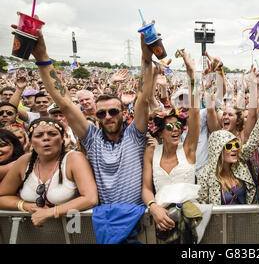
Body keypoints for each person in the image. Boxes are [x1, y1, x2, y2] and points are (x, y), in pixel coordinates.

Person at [18, 17, 154, 205]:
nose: (108, 117)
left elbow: (143, 98)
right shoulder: (92, 138)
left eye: (113, 111)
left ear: (123, 112)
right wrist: (42, 56)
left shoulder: (135, 135)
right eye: (101, 113)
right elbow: (65, 103)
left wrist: (146, 57)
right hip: (102, 219)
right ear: (96, 116)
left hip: (136, 217)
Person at [0, 118, 98, 227]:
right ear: (31, 141)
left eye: (52, 134)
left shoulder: (74, 158)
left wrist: (51, 212)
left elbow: (91, 198)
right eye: (39, 135)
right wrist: (26, 206)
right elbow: (2, 196)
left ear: (62, 138)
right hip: (34, 236)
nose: (46, 138)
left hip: (74, 232)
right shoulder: (24, 161)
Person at [142, 49, 200, 232]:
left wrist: (192, 76)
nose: (175, 129)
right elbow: (145, 187)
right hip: (162, 221)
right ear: (159, 133)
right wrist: (153, 206)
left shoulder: (188, 149)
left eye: (178, 126)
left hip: (191, 222)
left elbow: (196, 112)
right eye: (169, 127)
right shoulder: (152, 152)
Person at [197, 97, 259, 205]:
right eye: (228, 146)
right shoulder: (205, 175)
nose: (235, 148)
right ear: (218, 150)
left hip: (246, 221)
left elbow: (256, 139)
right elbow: (202, 208)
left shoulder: (240, 162)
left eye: (236, 144)